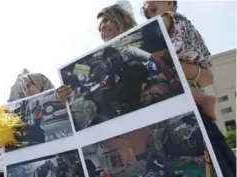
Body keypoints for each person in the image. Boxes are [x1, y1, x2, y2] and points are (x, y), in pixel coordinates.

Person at [97, 1, 235, 176]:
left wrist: (180, 72)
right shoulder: (107, 62)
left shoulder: (152, 35)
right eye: (100, 28)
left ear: (121, 20)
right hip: (142, 128)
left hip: (176, 116)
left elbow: (206, 76)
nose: (103, 29)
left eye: (107, 22)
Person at [141, 1, 236, 176]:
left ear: (170, 3)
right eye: (147, 12)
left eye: (152, 7)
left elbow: (205, 76)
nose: (148, 9)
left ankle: (202, 99)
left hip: (187, 77)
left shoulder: (171, 20)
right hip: (186, 82)